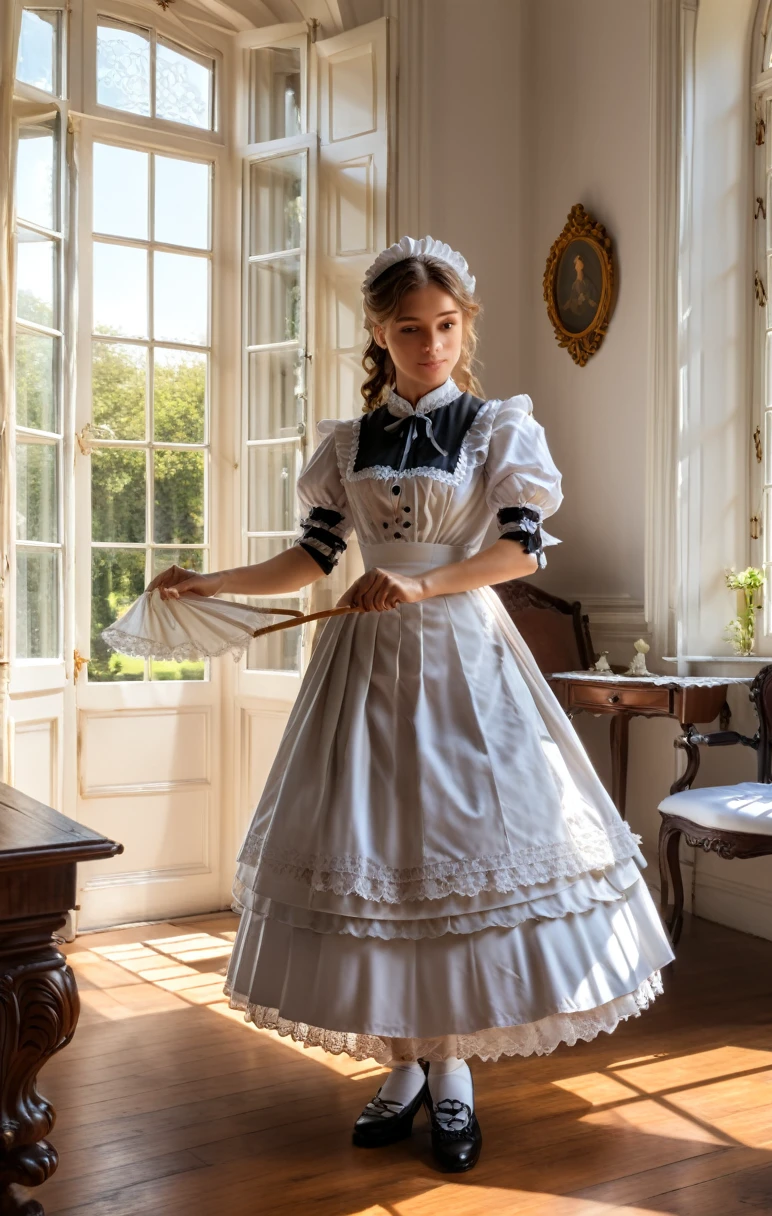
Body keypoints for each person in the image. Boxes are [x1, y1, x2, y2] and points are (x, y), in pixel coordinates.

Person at [146, 234, 675, 1174]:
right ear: (378, 335)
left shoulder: (497, 425)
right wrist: (211, 580)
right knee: (376, 859)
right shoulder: (348, 442)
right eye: (407, 330)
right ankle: (403, 1069)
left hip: (463, 662)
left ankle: (454, 1076)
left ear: (465, 326)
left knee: (455, 856)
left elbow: (522, 553)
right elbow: (311, 559)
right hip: (361, 669)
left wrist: (425, 588)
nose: (429, 344)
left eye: (444, 326)